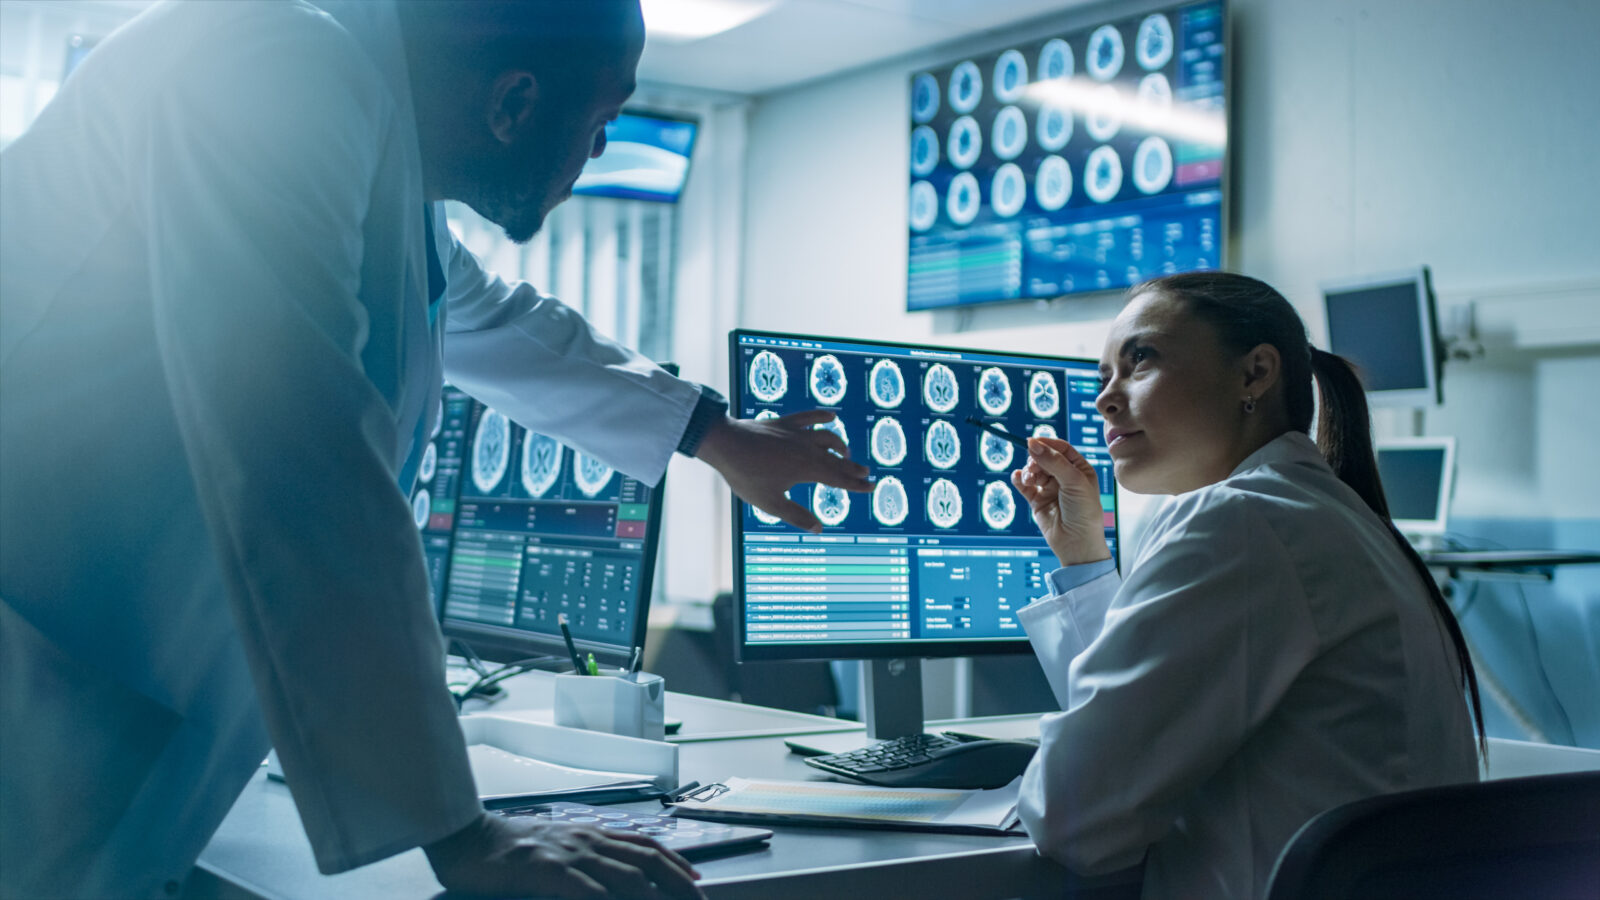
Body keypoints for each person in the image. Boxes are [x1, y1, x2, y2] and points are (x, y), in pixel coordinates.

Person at [0, 1, 868, 898]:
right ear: (512, 105)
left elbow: (487, 316)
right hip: (42, 688)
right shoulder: (273, 62)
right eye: (602, 122)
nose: (602, 152)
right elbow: (302, 453)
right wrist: (460, 834)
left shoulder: (369, 148)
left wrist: (713, 435)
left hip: (96, 706)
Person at [1008, 272, 1483, 899]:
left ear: (1255, 373)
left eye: (1140, 360)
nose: (1105, 399)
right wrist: (1084, 557)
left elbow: (1071, 818)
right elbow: (1144, 720)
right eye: (1103, 379)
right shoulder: (1318, 514)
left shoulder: (1242, 522)